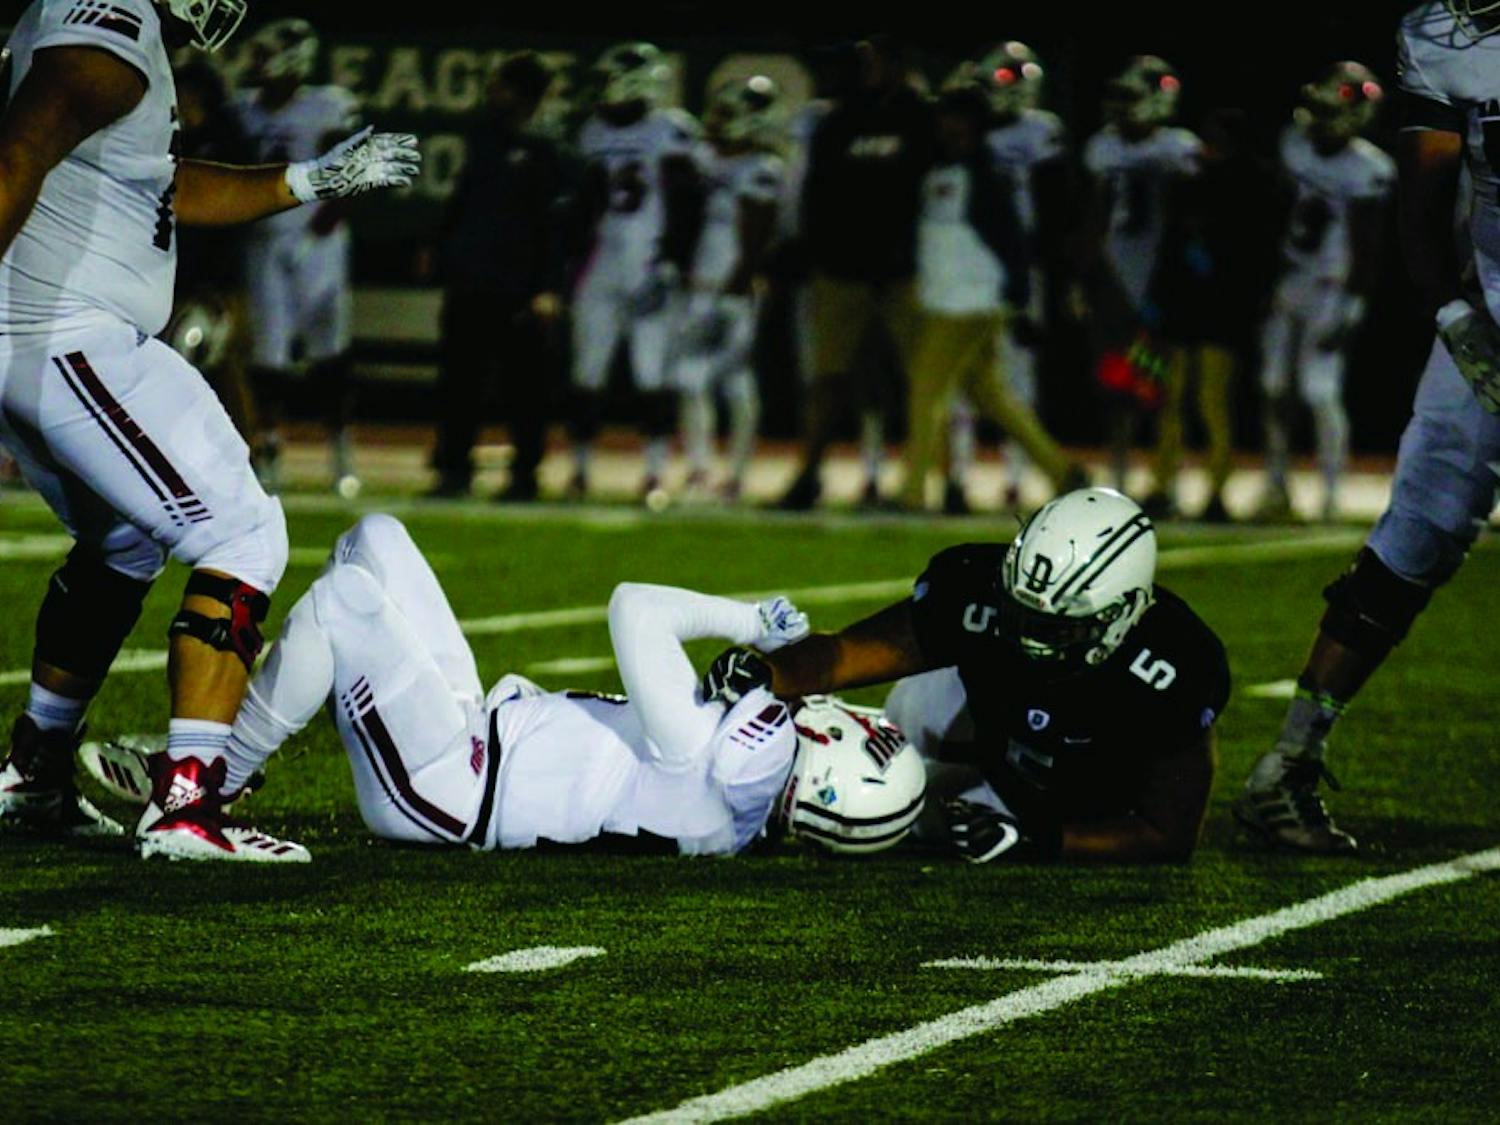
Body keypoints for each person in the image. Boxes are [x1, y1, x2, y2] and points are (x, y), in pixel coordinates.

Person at [0, 0, 419, 861]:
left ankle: (35, 771)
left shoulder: (103, 34)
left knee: (123, 544)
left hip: (51, 336)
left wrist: (310, 181)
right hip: (68, 334)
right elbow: (13, 159)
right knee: (244, 531)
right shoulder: (105, 36)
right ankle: (187, 802)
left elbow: (157, 182)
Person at [85, 514, 928, 858]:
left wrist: (748, 621)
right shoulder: (737, 793)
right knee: (374, 539)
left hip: (450, 786)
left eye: (859, 732)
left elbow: (633, 607)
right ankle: (211, 767)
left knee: (345, 600)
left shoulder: (716, 762)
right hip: (482, 733)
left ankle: (209, 784)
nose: (845, 718)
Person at [1234, 2, 1500, 853]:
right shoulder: (1449, 40)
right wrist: (1457, 314)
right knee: (1414, 534)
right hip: (1492, 318)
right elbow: (1422, 202)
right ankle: (1289, 762)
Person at [703, 488, 1229, 863]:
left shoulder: (1173, 667)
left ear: (1123, 614)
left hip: (1079, 801)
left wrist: (1038, 840)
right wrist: (766, 673)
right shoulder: (974, 589)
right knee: (898, 728)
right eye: (1021, 616)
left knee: (893, 813)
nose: (1030, 640)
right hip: (988, 730)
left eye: (1055, 628)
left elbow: (1167, 833)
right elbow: (842, 656)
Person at [900, 78, 1086, 513]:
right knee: (991, 395)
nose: (946, 126)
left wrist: (1019, 298)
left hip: (967, 301)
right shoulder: (945, 168)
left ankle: (911, 492)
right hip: (953, 298)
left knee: (926, 393)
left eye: (956, 118)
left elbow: (1011, 242)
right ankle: (1063, 472)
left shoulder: (982, 175)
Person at [776, 35, 936, 511]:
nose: (869, 71)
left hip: (904, 272)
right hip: (843, 271)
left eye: (877, 61)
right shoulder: (838, 121)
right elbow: (817, 195)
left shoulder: (921, 118)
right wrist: (818, 253)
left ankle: (927, 482)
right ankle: (808, 474)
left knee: (920, 382)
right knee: (829, 380)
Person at [425, 51, 573, 502]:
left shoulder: (550, 147)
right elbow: (465, 197)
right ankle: (453, 468)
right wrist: (442, 245)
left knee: (523, 388)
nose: (493, 92)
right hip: (473, 278)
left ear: (523, 93)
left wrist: (549, 286)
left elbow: (558, 224)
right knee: (458, 381)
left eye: (502, 85)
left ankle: (525, 474)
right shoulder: (484, 137)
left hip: (520, 286)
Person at [1251, 62, 1393, 524]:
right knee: (1273, 388)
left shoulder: (1369, 167)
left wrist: (1351, 311)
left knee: (1318, 392)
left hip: (1332, 289)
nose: (1317, 119)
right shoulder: (1294, 147)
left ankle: (1331, 493)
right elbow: (1274, 215)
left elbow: (1368, 249)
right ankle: (1276, 487)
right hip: (1289, 281)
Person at [567, 41, 703, 501]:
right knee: (588, 369)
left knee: (651, 373)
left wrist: (672, 263)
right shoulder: (592, 132)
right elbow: (582, 205)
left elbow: (688, 204)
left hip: (649, 263)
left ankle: (655, 472)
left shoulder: (670, 131)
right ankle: (580, 469)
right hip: (601, 262)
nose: (603, 89)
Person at [232, 17, 363, 495]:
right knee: (269, 358)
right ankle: (268, 451)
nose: (259, 64)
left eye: (267, 55)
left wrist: (319, 231)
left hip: (318, 243)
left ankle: (341, 454)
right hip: (264, 242)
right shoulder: (244, 110)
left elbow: (351, 176)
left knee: (330, 354)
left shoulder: (326, 106)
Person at [946, 41, 1074, 514]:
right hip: (966, 266)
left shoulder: (1040, 133)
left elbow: (1055, 209)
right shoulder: (966, 133)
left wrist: (1048, 273)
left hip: (1018, 267)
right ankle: (957, 475)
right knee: (959, 378)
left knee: (1017, 376)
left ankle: (1018, 478)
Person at [1078, 56, 1203, 508]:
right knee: (1117, 386)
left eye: (1132, 97)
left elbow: (1188, 222)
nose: (1123, 108)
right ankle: (1119, 475)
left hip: (1162, 286)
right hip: (1115, 284)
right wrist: (1085, 277)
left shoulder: (1179, 148)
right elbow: (1094, 218)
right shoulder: (1104, 147)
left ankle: (1165, 481)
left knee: (1161, 389)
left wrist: (1180, 283)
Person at [1148, 107, 1278, 523]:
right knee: (1170, 400)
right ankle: (1162, 485)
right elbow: (1169, 247)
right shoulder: (1189, 185)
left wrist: (1248, 299)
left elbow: (1259, 256)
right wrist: (1158, 299)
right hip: (1184, 308)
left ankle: (1217, 492)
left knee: (1211, 403)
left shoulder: (1253, 187)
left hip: (1224, 311)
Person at [674, 75, 784, 503]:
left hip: (730, 290)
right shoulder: (708, 160)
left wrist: (733, 292)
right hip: (702, 286)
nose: (717, 121)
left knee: (733, 382)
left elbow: (756, 238)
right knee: (692, 381)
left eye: (727, 113)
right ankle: (701, 470)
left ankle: (734, 474)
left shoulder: (762, 170)